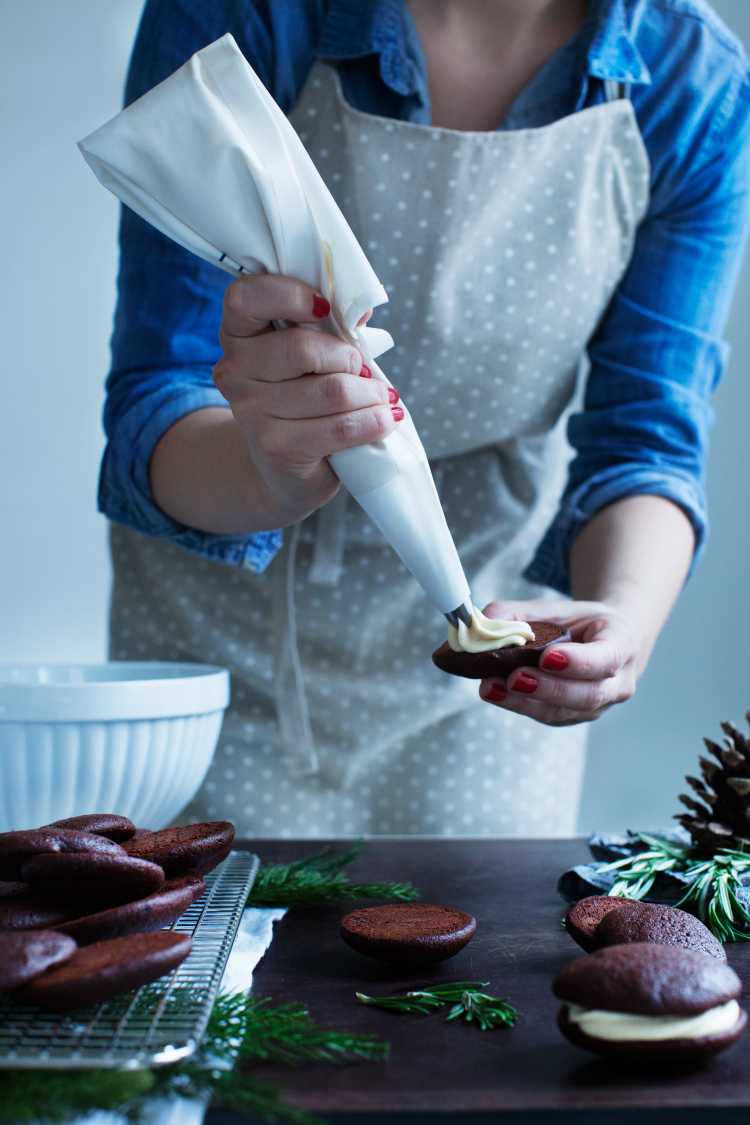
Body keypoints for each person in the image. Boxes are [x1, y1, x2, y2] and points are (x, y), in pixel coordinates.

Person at [103, 0, 750, 838]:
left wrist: (624, 617)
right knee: (198, 961)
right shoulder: (248, 14)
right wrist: (274, 465)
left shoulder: (693, 82)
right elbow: (156, 403)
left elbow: (645, 440)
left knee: (475, 956)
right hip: (218, 656)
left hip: (482, 704)